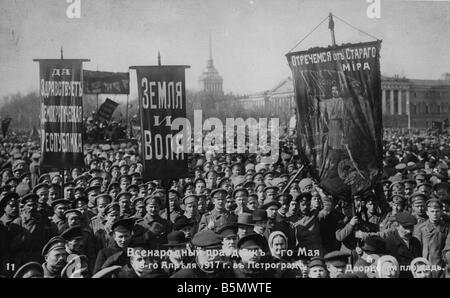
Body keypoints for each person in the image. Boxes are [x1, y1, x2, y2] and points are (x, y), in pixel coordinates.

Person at [414, 198, 449, 277]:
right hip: (424, 267)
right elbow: (416, 249)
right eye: (432, 211)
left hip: (441, 267)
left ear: (441, 212)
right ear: (427, 212)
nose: (435, 214)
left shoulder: (446, 229)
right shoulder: (421, 229)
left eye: (437, 211)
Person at [382, 212, 422, 278]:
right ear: (397, 226)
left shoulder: (416, 242)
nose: (409, 231)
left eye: (411, 227)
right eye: (405, 228)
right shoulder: (389, 242)